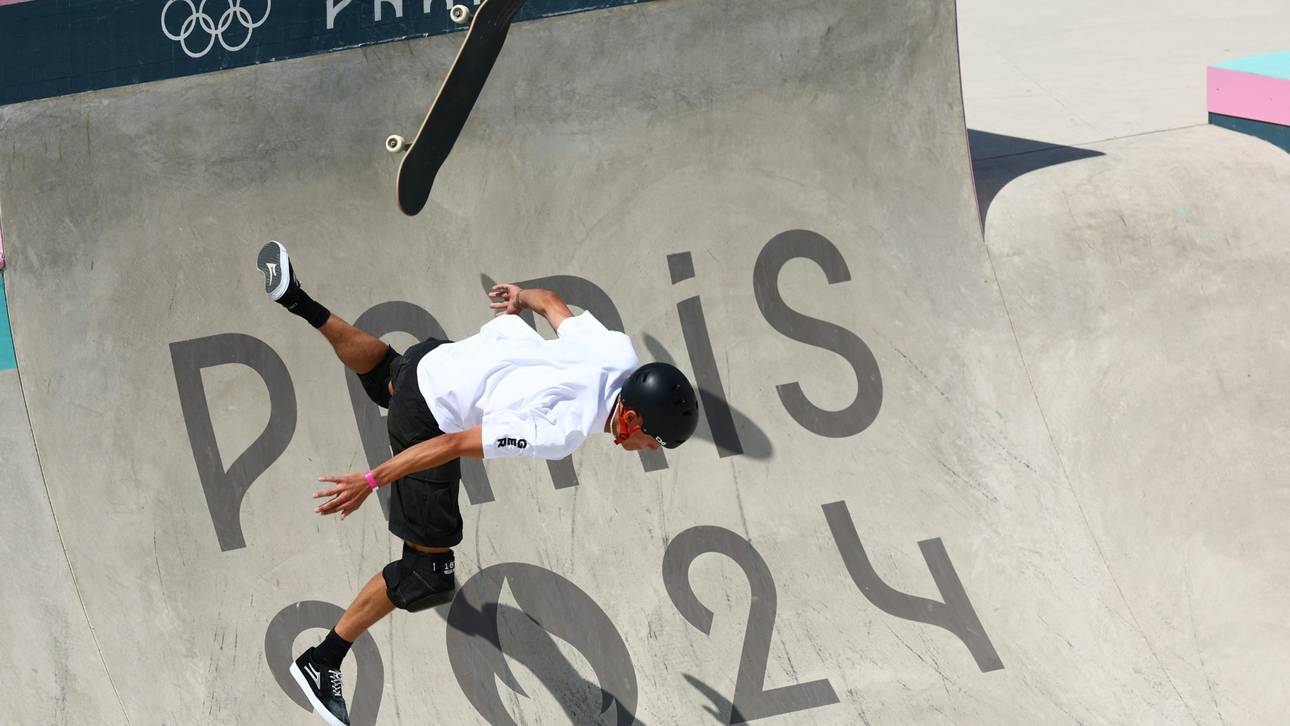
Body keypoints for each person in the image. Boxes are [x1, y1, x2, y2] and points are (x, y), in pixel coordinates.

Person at [255, 240, 699, 726]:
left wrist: (519, 296)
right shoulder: (560, 429)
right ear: (632, 419)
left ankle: (295, 297)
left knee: (393, 372)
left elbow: (550, 302)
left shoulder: (618, 353)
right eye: (653, 440)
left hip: (440, 360)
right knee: (428, 573)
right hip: (430, 416)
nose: (651, 450)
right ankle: (322, 660)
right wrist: (370, 479)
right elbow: (453, 444)